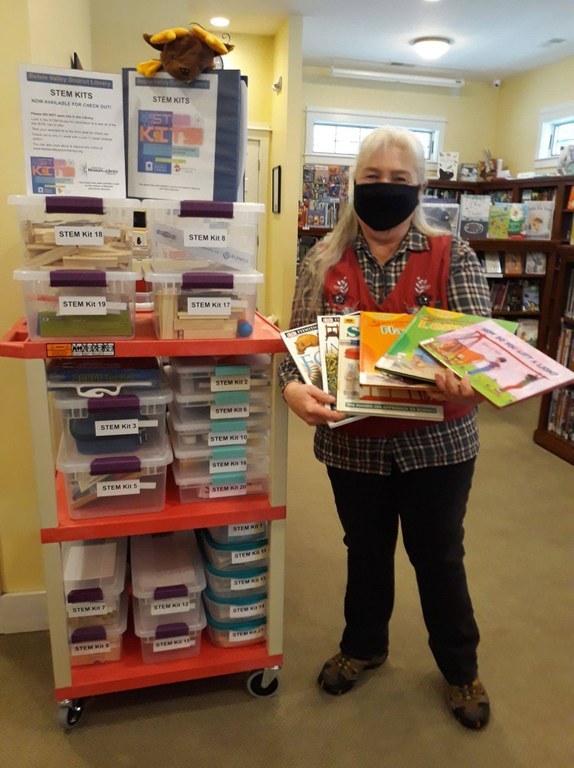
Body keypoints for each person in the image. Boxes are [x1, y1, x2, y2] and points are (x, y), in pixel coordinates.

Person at [278, 127, 492, 730]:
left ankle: (460, 670)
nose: (386, 190)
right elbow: (293, 352)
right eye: (373, 179)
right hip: (353, 446)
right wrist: (294, 388)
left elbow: (480, 352)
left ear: (420, 187)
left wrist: (467, 378)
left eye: (400, 180)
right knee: (365, 550)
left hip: (438, 445)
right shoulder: (321, 259)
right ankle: (365, 645)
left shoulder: (456, 256)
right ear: (353, 185)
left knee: (439, 556)